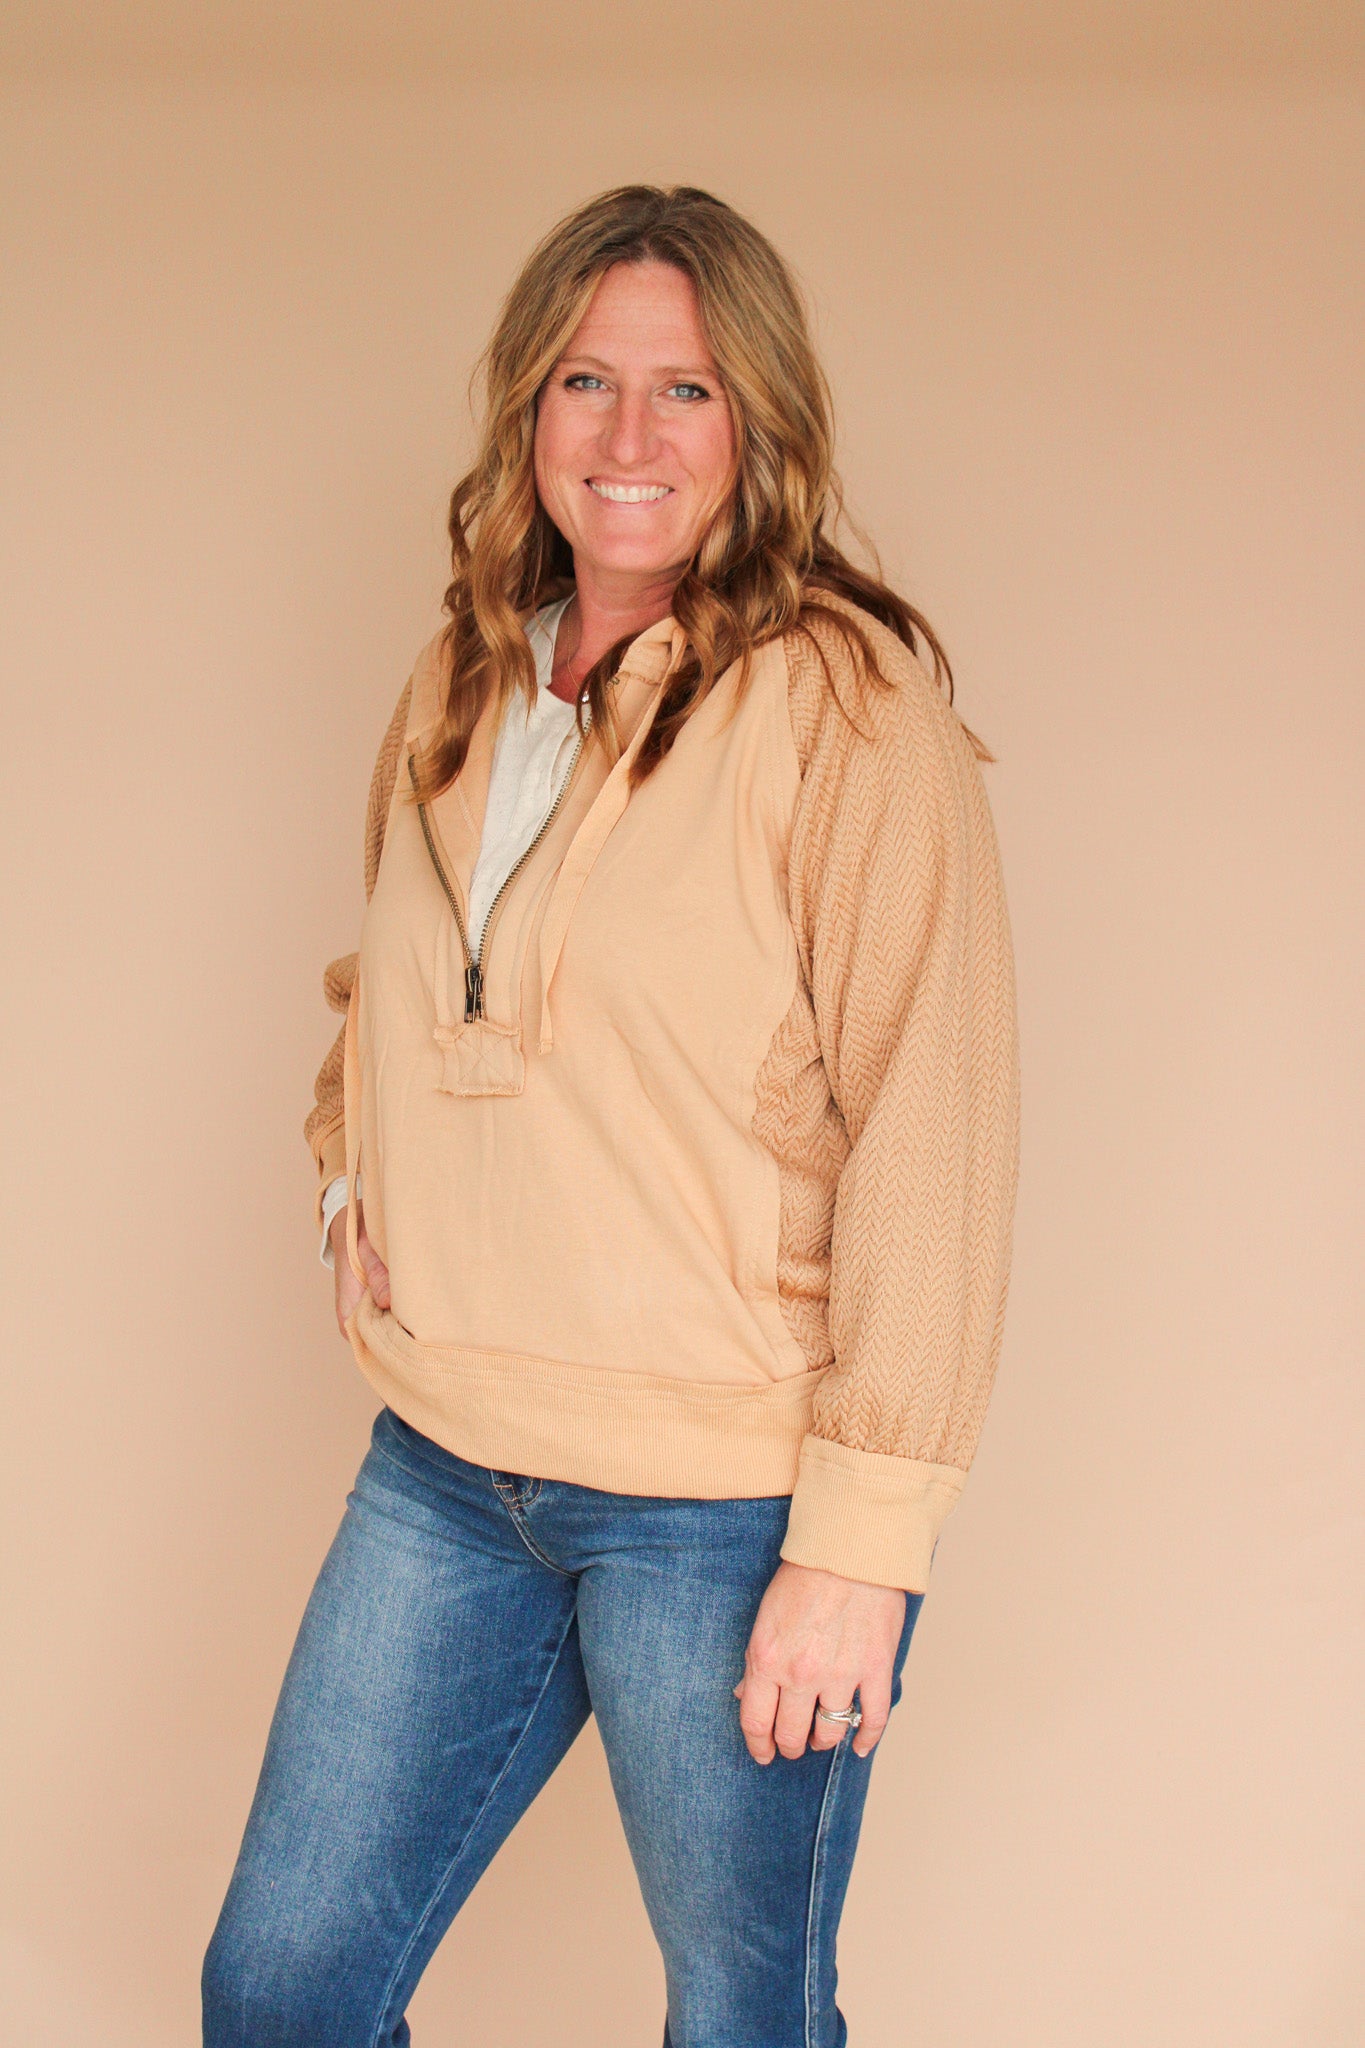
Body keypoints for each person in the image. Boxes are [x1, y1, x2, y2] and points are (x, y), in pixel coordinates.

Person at [202, 182, 1021, 2048]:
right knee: (284, 1992)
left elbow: (936, 1129)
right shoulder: (465, 678)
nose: (628, 432)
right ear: (527, 408)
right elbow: (387, 989)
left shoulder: (848, 710)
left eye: (685, 389)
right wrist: (346, 1187)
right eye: (585, 380)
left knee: (738, 2016)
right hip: (446, 1463)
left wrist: (860, 1545)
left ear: (759, 424)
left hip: (724, 1505)